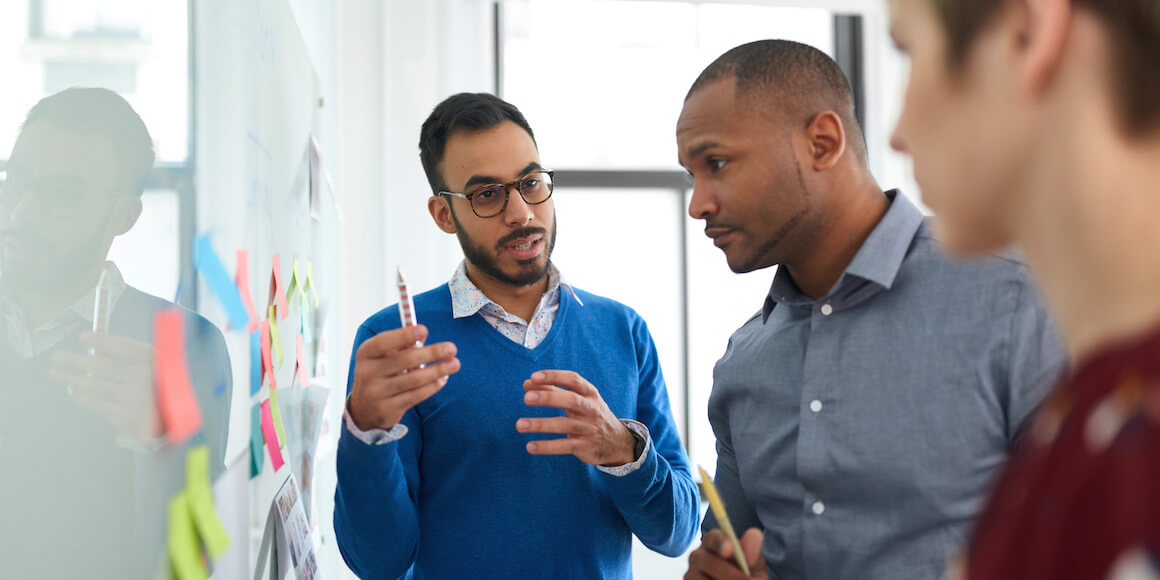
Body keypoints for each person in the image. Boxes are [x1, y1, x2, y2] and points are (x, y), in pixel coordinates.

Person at [676, 40, 1066, 579]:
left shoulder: (1017, 300)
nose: (697, 203)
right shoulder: (743, 362)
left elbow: (1097, 541)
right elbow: (729, 546)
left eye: (716, 163)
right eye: (690, 174)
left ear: (823, 142)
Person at [333, 92, 699, 579]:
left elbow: (677, 533)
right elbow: (379, 563)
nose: (522, 212)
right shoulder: (396, 341)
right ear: (445, 215)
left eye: (530, 183)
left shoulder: (623, 330)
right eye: (487, 194)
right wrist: (367, 432)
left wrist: (624, 451)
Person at [888, 0, 1160, 577]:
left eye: (908, 50)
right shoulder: (1089, 414)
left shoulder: (1132, 451)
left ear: (1027, 32)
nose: (897, 133)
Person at [0, 87, 231, 578]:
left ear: (122, 217)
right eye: (14, 181)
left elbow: (193, 563)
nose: (20, 212)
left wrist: (161, 439)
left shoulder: (186, 345)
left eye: (61, 195)